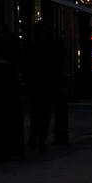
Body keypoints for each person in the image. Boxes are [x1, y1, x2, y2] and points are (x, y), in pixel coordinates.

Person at [25, 21, 64, 150]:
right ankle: (39, 138)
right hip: (46, 83)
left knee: (38, 113)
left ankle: (36, 137)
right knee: (43, 113)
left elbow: (28, 65)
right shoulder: (53, 46)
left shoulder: (33, 46)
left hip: (39, 83)